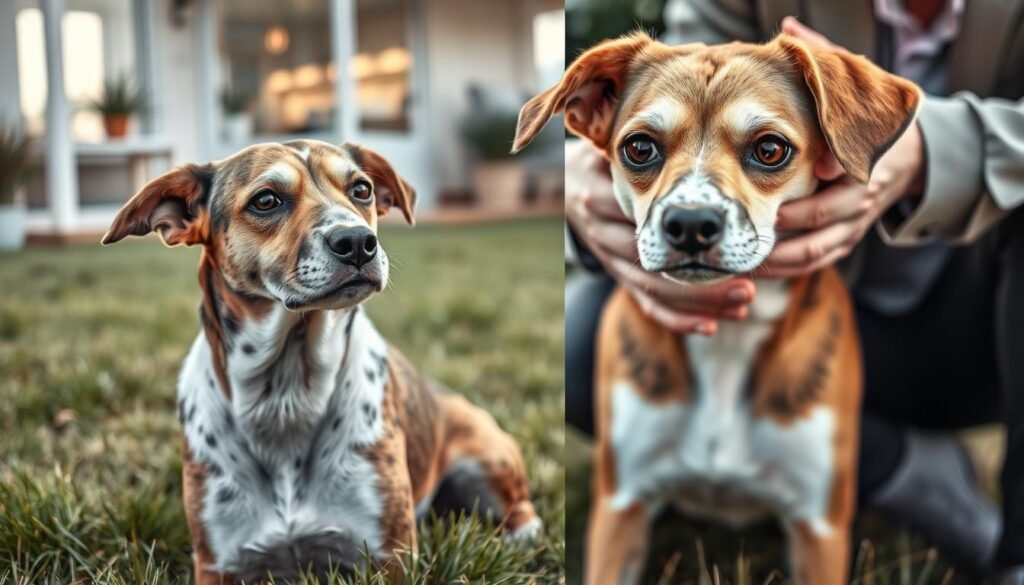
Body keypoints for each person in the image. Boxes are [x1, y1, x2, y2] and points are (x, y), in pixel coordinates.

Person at [564, 0, 1024, 582]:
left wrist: (931, 147)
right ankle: (894, 465)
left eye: (767, 150)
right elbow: (688, 76)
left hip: (977, 323)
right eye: (643, 150)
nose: (692, 210)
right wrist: (578, 180)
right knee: (578, 350)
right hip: (783, 301)